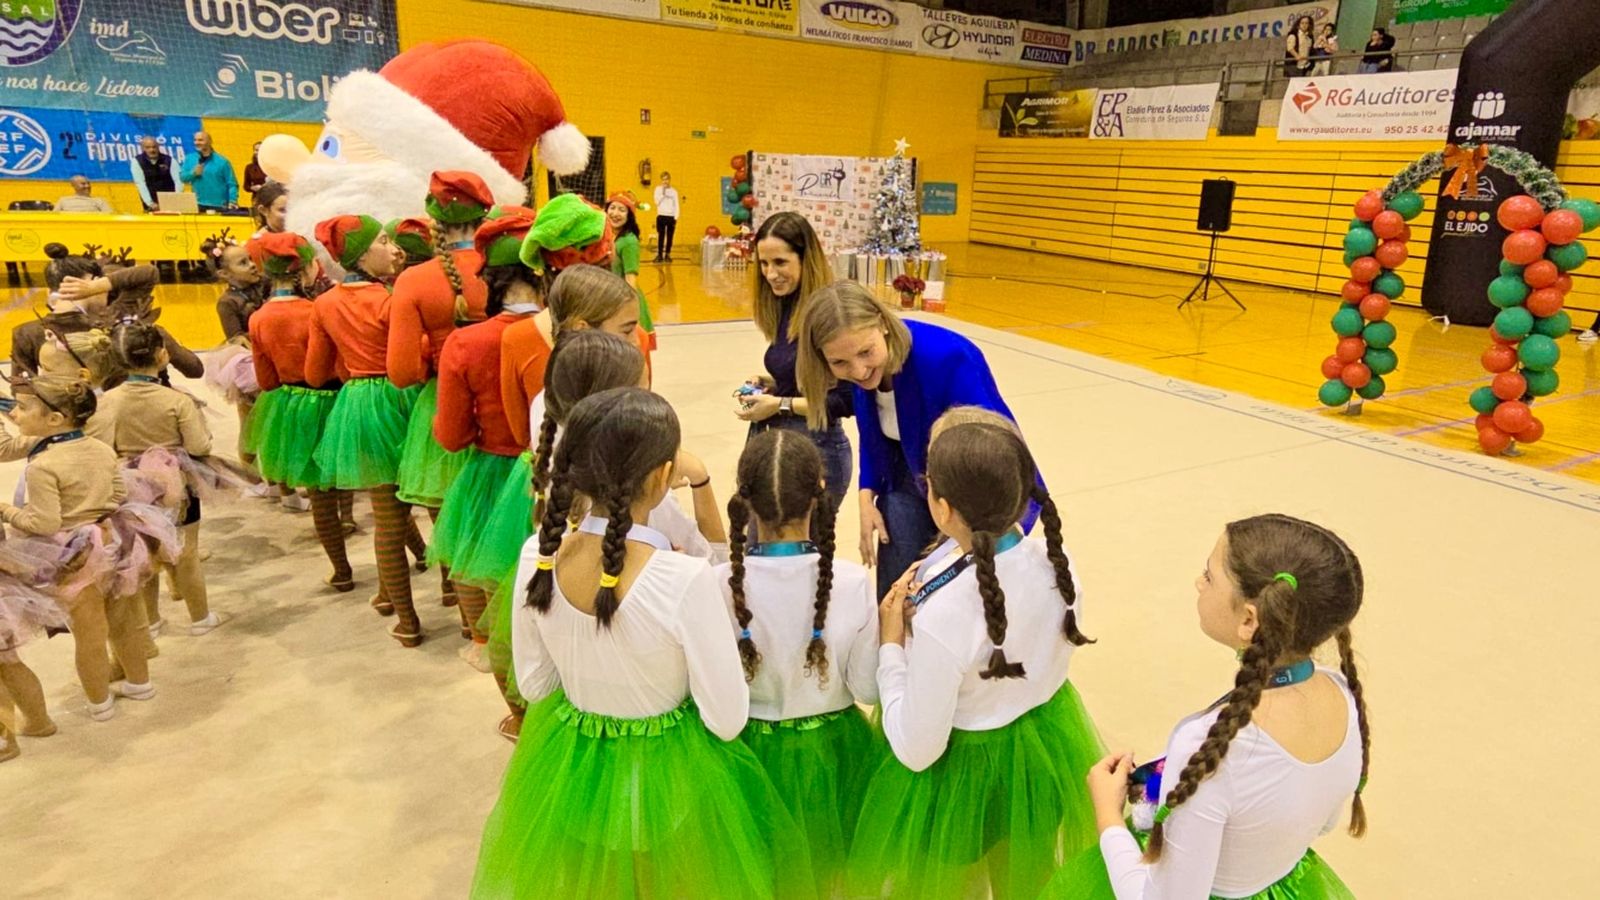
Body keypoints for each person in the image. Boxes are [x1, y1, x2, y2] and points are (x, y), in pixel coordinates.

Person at [471, 387, 811, 898]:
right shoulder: (684, 577)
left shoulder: (534, 557)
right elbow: (725, 717)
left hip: (572, 767)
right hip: (670, 780)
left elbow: (537, 686)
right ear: (661, 477)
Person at [1054, 515, 1369, 900]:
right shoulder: (1340, 691)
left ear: (1249, 619)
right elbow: (1320, 822)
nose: (1198, 583)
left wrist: (1107, 815)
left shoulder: (1209, 746)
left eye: (1209, 576)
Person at [848, 420, 1099, 899]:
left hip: (961, 775)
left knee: (949, 883)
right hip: (1043, 752)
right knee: (1027, 874)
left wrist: (891, 647)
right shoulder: (1057, 566)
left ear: (941, 507)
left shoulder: (948, 616)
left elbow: (918, 748)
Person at [718, 429, 878, 895]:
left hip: (743, 754)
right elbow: (867, 689)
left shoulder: (716, 583)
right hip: (836, 755)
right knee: (829, 874)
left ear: (745, 500)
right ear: (819, 495)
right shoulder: (848, 583)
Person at [794, 280, 1030, 597]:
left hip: (969, 485)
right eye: (839, 363)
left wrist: (992, 540)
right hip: (910, 477)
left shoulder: (946, 359)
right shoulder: (860, 359)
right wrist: (867, 496)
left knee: (958, 590)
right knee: (896, 590)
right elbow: (874, 432)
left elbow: (1000, 450)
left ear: (883, 324)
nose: (860, 371)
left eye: (866, 352)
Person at [486, 329, 649, 742]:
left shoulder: (539, 549)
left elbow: (535, 683)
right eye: (626, 327)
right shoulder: (645, 499)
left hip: (571, 724)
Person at [0, 376, 180, 722]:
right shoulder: (99, 448)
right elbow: (116, 492)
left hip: (73, 554)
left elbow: (44, 523)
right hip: (115, 538)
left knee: (90, 632)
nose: (16, 414)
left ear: (54, 420)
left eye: (23, 408)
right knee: (125, 620)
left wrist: (8, 511)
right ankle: (140, 684)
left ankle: (99, 704)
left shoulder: (44, 466)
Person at [305, 214, 428, 647]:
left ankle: (407, 620)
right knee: (433, 500)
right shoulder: (395, 299)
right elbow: (417, 355)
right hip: (405, 399)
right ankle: (456, 596)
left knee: (387, 523)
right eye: (381, 240)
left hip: (358, 405)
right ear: (360, 254)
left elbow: (316, 373)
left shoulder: (323, 305)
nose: (391, 248)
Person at [430, 207, 540, 671]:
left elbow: (452, 436)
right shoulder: (571, 334)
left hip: (493, 478)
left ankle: (516, 708)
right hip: (558, 477)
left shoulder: (467, 343)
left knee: (496, 597)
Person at [88, 321, 221, 639]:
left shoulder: (108, 401)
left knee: (143, 552)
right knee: (186, 551)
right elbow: (200, 445)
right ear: (162, 356)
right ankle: (200, 617)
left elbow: (102, 445)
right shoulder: (176, 400)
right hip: (178, 484)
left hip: (132, 485)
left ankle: (152, 621)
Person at [247, 232, 356, 594]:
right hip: (334, 400)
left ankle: (341, 571)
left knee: (319, 498)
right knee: (376, 479)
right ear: (309, 267)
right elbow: (337, 364)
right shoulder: (317, 311)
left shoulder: (258, 319)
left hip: (291, 407)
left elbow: (265, 379)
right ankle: (415, 552)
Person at [739, 212, 853, 508]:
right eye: (763, 263)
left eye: (780, 263)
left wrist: (779, 405)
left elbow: (845, 399)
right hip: (784, 442)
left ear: (806, 259)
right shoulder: (784, 304)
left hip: (818, 449)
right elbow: (808, 377)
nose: (770, 273)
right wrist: (772, 384)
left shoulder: (828, 313)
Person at [13, 245, 203, 383]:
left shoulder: (26, 332)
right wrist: (96, 286)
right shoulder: (120, 322)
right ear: (92, 282)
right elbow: (149, 273)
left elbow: (21, 388)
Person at [605, 192, 656, 349]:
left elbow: (630, 280)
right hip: (608, 300)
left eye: (622, 210)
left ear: (629, 216)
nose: (615, 213)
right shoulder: (606, 236)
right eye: (612, 208)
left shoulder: (628, 242)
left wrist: (629, 313)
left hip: (623, 302)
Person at [180, 131, 239, 212]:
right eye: (195, 140)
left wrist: (233, 201)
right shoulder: (189, 158)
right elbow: (183, 178)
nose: (197, 143)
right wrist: (193, 173)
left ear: (210, 142)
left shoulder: (222, 162)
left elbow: (232, 184)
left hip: (219, 205)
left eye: (200, 140)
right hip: (198, 204)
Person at [130, 137, 180, 212]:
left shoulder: (169, 160)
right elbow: (140, 183)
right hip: (150, 204)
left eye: (154, 147)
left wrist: (176, 199)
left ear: (158, 147)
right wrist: (150, 203)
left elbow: (178, 180)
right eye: (148, 147)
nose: (152, 150)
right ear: (143, 148)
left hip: (170, 202)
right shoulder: (136, 162)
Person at [653, 171, 682, 263]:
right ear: (661, 181)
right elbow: (656, 202)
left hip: (671, 216)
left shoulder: (674, 192)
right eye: (663, 180)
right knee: (661, 236)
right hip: (661, 215)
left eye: (667, 179)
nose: (665, 181)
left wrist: (676, 217)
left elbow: (676, 205)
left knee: (670, 237)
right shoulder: (658, 189)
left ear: (669, 180)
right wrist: (663, 193)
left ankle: (668, 254)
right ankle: (660, 255)